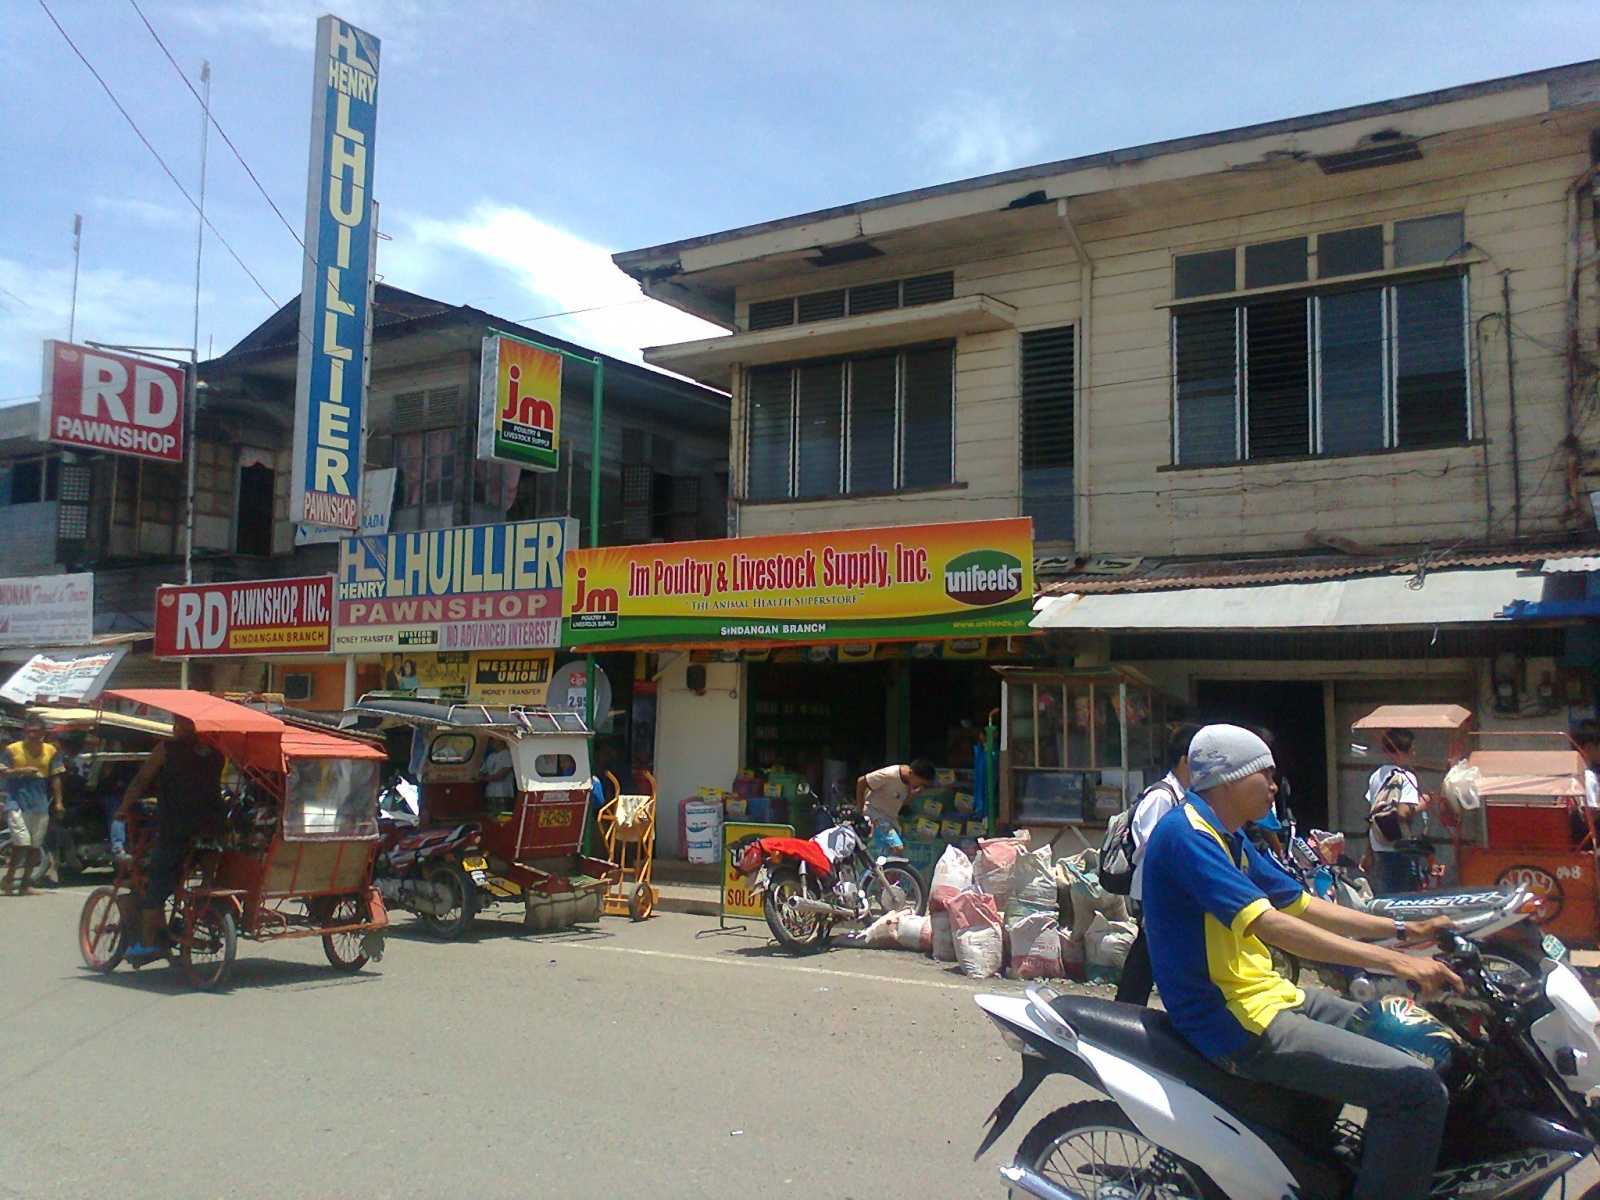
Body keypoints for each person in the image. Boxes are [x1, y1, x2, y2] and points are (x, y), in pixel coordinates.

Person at [1143, 724, 1461, 1200]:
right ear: (1231, 779)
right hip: (1233, 1022)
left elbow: (1303, 905)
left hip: (1271, 999)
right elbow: (1275, 926)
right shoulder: (1187, 836)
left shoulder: (1230, 836)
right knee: (1416, 1091)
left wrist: (1403, 930)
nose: (1274, 786)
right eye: (1265, 774)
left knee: (1407, 1035)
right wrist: (1395, 964)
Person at [115, 716, 226, 962]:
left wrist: (124, 807)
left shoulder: (167, 749)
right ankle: (205, 895)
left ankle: (147, 944)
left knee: (158, 880)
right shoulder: (217, 754)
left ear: (178, 727)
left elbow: (142, 779)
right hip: (213, 826)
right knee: (205, 869)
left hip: (177, 826)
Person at [1115, 721, 1200, 1005]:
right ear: (1186, 760)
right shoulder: (1162, 796)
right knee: (1147, 955)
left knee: (1149, 956)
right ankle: (1125, 1011)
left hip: (1165, 891)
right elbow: (1152, 846)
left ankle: (1127, 1009)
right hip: (1154, 891)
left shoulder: (1181, 795)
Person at [1, 716, 65, 895]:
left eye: (36, 731)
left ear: (43, 733)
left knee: (35, 846)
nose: (32, 735)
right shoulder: (12, 750)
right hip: (16, 801)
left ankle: (25, 884)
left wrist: (59, 802)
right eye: (29, 731)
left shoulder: (50, 751)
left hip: (39, 803)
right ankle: (10, 877)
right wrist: (21, 771)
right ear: (24, 732)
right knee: (22, 842)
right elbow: (3, 772)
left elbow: (55, 777)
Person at [1367, 729, 1424, 895]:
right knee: (1400, 896)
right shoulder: (1406, 777)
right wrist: (1422, 804)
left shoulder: (1376, 776)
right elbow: (1403, 812)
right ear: (1403, 751)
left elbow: (1371, 813)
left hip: (1378, 840)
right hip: (1398, 844)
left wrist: (1368, 852)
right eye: (1412, 748)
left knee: (1388, 890)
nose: (1414, 752)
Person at [854, 758, 935, 857]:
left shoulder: (909, 783)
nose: (920, 786)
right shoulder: (890, 774)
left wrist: (914, 794)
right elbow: (862, 781)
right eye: (921, 783)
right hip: (875, 814)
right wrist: (859, 808)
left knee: (893, 858)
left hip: (891, 819)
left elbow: (902, 803)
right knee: (897, 848)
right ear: (911, 773)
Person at [482, 740, 515, 814]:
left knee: (502, 818)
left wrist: (483, 778)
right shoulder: (490, 756)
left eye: (495, 739)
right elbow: (483, 771)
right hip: (490, 793)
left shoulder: (508, 754)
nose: (492, 741)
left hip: (503, 793)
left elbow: (501, 776)